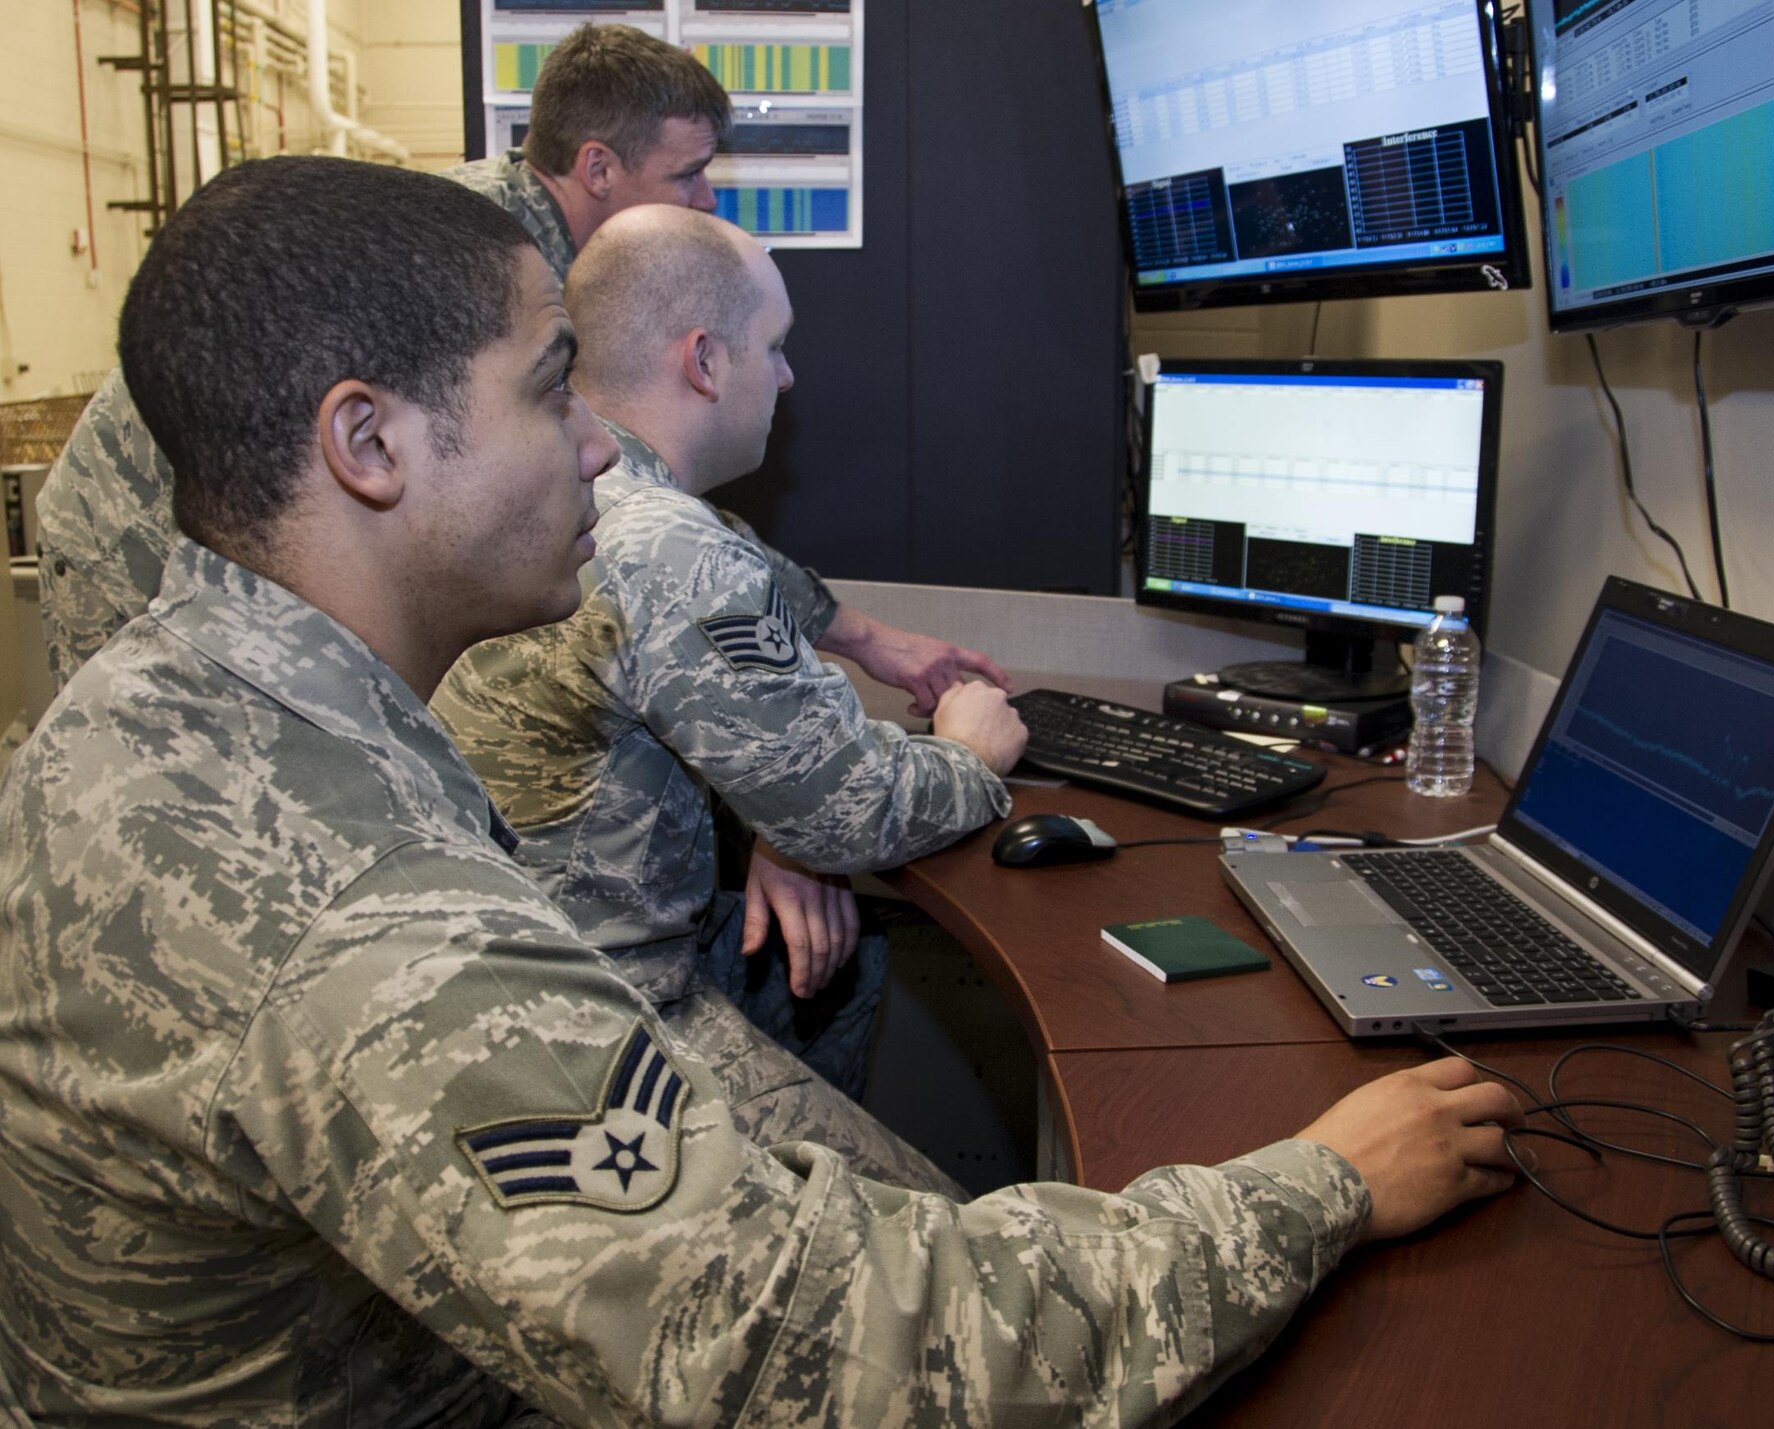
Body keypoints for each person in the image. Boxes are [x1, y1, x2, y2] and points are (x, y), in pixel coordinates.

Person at [0, 153, 1522, 1424]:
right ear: (369, 443)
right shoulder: (360, 916)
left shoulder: (156, 700)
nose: (603, 447)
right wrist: (1319, 1183)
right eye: (549, 393)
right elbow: (834, 1351)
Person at [34, 22, 1009, 1142]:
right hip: (146, 550)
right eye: (687, 174)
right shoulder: (476, 259)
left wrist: (848, 651)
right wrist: (855, 782)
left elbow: (661, 534)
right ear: (597, 168)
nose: (591, 449)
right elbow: (662, 545)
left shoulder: (576, 381)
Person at [431, 205, 1022, 1128]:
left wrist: (855, 656)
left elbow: (734, 565)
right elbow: (854, 808)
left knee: (841, 957)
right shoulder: (671, 547)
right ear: (704, 362)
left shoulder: (575, 479)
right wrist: (971, 750)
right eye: (776, 346)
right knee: (921, 1227)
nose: (788, 376)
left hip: (504, 951)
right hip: (602, 1008)